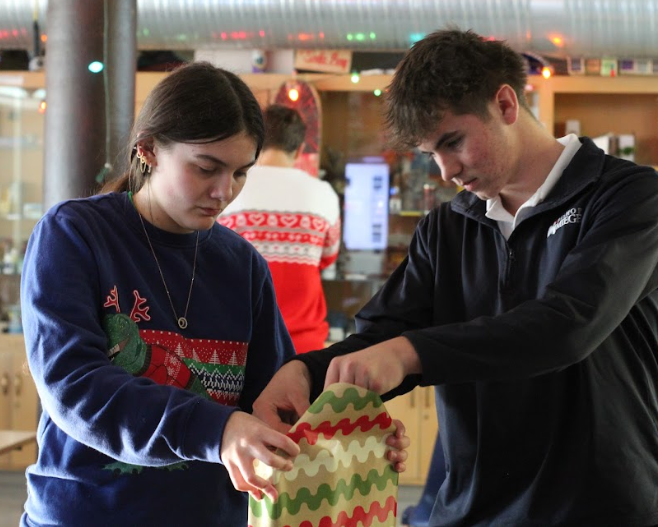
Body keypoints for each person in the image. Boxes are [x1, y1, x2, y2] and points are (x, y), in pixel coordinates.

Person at [253, 29, 658, 526]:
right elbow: (382, 335)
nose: (446, 170)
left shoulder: (627, 195)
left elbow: (567, 324)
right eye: (431, 154)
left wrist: (409, 353)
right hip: (474, 511)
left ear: (504, 103)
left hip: (606, 508)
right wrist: (305, 372)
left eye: (453, 141)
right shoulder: (446, 227)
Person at [19, 62, 408, 527]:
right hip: (87, 514)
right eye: (207, 168)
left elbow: (276, 407)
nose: (224, 192)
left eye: (241, 172)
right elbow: (75, 387)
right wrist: (216, 430)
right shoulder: (76, 234)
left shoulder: (243, 266)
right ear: (148, 150)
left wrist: (350, 434)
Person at [218, 104, 340, 353]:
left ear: (257, 142)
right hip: (304, 344)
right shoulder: (324, 193)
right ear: (300, 150)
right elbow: (328, 258)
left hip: (241, 338)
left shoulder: (228, 189)